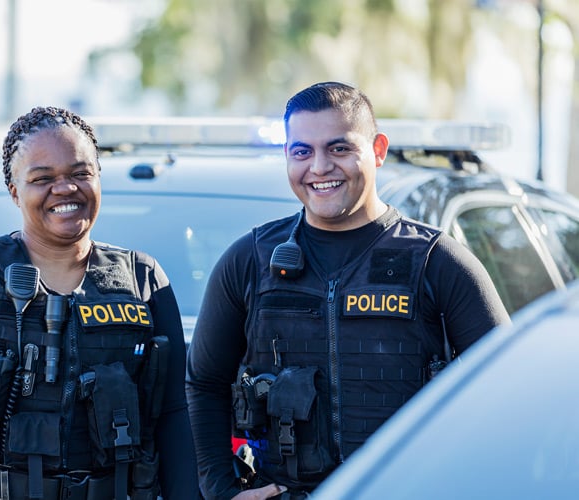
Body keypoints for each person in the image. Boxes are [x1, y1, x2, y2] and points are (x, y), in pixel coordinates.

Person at [185, 82, 511, 500]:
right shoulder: (249, 260)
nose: (319, 167)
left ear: (377, 149)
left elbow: (510, 389)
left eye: (339, 149)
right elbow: (204, 382)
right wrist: (221, 491)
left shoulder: (438, 261)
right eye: (301, 151)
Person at [0, 106, 199, 500]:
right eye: (42, 178)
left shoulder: (143, 279)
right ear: (15, 191)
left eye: (80, 173)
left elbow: (173, 413)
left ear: (98, 178)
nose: (65, 188)